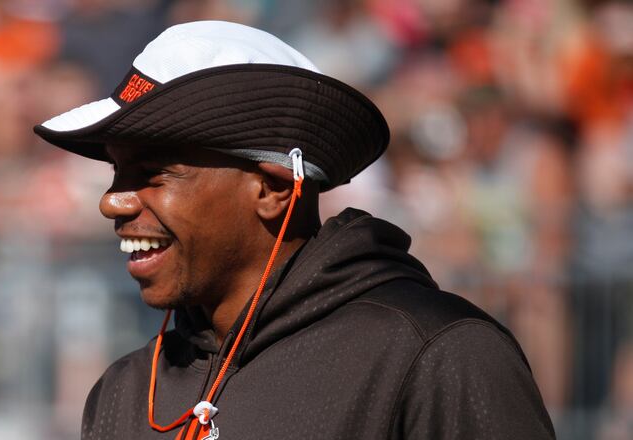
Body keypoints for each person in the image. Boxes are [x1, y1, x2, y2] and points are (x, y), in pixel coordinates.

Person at [33, 20, 555, 440]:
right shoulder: (124, 393)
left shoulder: (437, 355)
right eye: (116, 172)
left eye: (154, 173)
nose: (111, 201)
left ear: (273, 188)